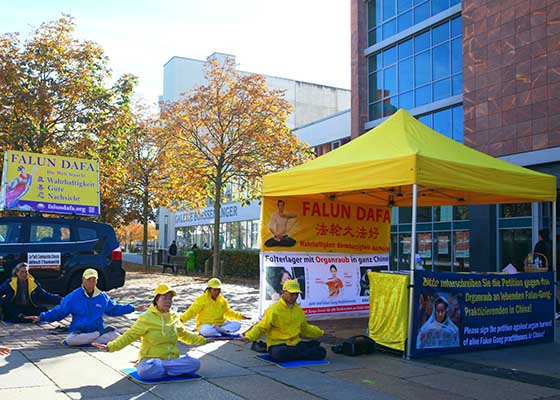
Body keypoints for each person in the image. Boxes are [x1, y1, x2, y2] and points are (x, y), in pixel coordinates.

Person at [92, 284, 207, 380]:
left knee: (195, 364)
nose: (168, 301)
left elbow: (184, 334)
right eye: (165, 298)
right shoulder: (146, 318)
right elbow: (129, 336)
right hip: (151, 360)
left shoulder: (174, 317)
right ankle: (169, 369)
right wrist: (111, 347)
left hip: (171, 359)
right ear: (156, 300)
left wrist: (202, 339)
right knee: (145, 372)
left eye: (170, 298)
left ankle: (166, 369)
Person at [25, 269, 147, 346]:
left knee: (116, 336)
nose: (91, 283)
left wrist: (133, 308)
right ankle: (96, 337)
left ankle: (95, 337)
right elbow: (60, 311)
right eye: (89, 280)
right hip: (79, 333)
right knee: (71, 340)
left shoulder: (102, 297)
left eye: (94, 280)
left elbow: (114, 309)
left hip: (96, 330)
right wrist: (41, 317)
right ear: (83, 280)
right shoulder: (74, 296)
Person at [243, 280, 326, 362]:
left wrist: (320, 332)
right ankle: (303, 352)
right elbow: (262, 326)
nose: (294, 296)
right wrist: (249, 337)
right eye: (292, 294)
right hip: (278, 345)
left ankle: (300, 352)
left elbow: (304, 328)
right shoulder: (274, 309)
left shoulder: (298, 310)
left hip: (295, 343)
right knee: (279, 354)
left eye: (296, 294)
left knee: (322, 352)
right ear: (283, 292)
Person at [180, 278, 249, 337]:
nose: (217, 292)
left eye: (219, 290)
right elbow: (192, 312)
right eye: (215, 290)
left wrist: (240, 316)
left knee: (237, 324)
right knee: (205, 330)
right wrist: (181, 319)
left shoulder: (222, 300)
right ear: (209, 289)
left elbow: (228, 312)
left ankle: (219, 333)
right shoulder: (201, 299)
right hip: (206, 325)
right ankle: (222, 332)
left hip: (220, 325)